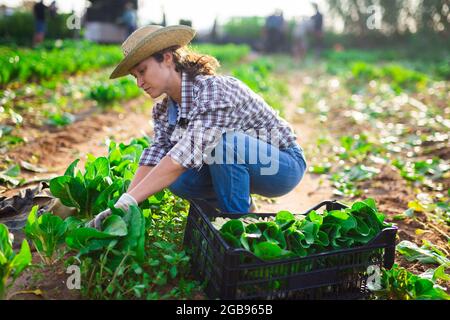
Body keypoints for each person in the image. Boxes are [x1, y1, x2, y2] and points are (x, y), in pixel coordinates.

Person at [88, 25, 307, 229]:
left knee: (222, 145)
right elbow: (155, 156)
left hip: (280, 165)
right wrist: (121, 206)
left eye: (142, 71)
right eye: (135, 76)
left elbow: (184, 155)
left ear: (166, 58)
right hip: (242, 164)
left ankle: (238, 226)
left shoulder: (213, 90)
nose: (139, 83)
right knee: (180, 181)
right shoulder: (163, 111)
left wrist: (130, 201)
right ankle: (245, 210)